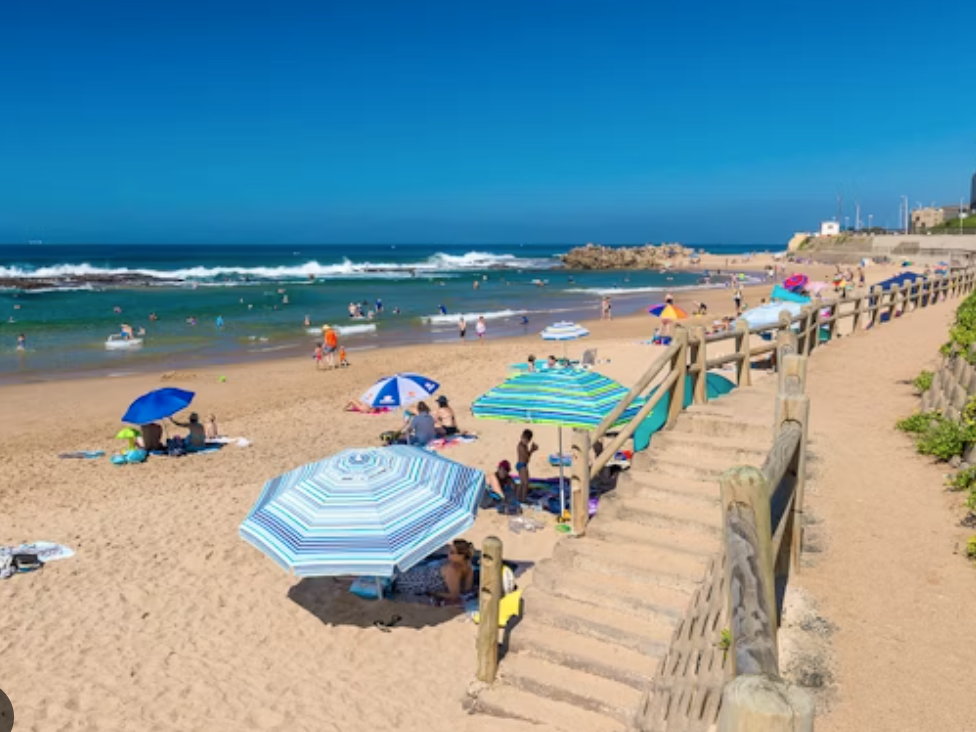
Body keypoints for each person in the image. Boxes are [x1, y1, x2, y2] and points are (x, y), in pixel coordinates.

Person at [393, 539, 475, 605]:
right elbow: (462, 592)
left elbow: (458, 594)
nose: (448, 554)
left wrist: (435, 593)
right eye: (449, 551)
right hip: (416, 579)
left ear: (462, 556)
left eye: (452, 552)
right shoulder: (463, 566)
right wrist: (435, 593)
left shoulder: (456, 569)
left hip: (419, 578)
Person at [516, 429, 539, 502]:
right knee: (525, 484)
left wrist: (531, 450)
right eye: (524, 439)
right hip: (522, 466)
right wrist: (532, 450)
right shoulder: (522, 447)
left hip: (522, 465)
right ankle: (522, 498)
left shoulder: (522, 445)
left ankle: (519, 497)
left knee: (523, 483)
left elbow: (526, 457)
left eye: (526, 440)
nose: (525, 441)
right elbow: (527, 458)